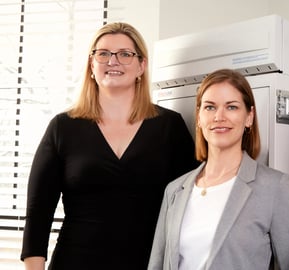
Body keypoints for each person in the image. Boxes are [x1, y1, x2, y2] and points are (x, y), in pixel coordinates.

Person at [20, 22, 198, 270]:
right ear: (92, 65)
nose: (113, 61)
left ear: (141, 66)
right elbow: (38, 215)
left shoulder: (170, 126)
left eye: (125, 54)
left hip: (148, 264)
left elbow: (193, 205)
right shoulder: (62, 127)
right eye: (103, 53)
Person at [147, 68, 289, 270]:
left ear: (249, 117)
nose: (219, 116)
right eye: (210, 107)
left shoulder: (274, 187)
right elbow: (157, 265)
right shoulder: (175, 190)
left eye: (231, 107)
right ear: (199, 118)